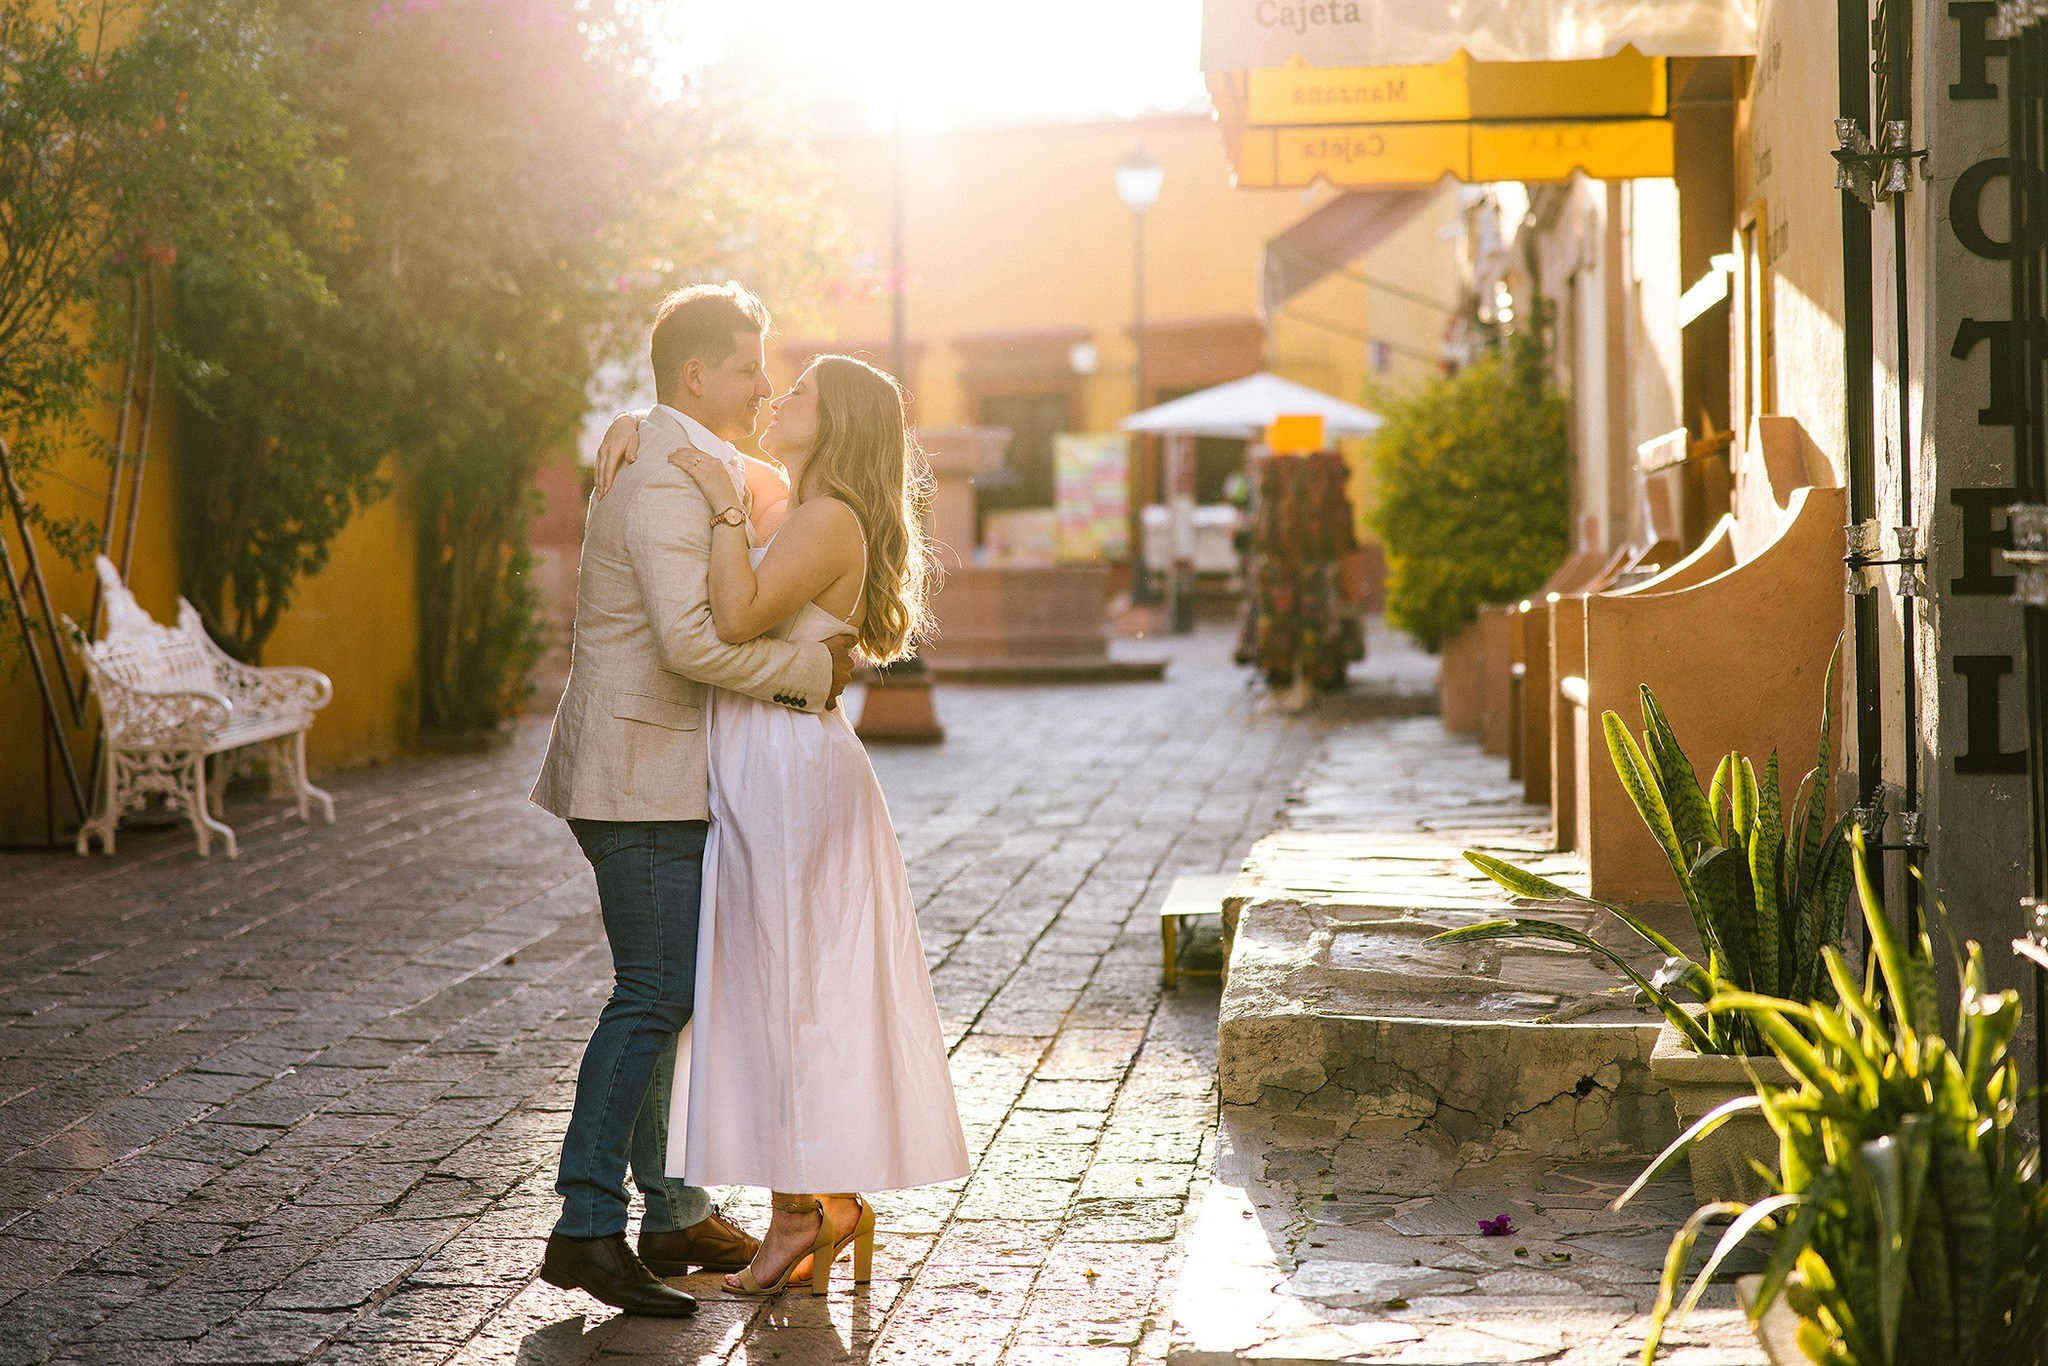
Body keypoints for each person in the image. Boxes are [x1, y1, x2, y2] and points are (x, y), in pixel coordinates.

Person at [591, 353, 969, 1297]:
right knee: (777, 984)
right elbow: (696, 439)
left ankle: (799, 1212)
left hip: (792, 774)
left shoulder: (827, 517)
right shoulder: (799, 499)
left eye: (795, 392)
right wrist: (635, 424)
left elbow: (737, 612)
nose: (774, 398)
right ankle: (822, 1202)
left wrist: (723, 510)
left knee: (785, 986)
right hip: (768, 763)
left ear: (831, 420)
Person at [529, 284, 854, 1318]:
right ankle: (586, 1223)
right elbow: (693, 645)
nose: (763, 383)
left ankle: (667, 1211)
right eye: (750, 366)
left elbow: (769, 482)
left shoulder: (675, 454)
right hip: (636, 777)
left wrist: (628, 420)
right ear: (696, 375)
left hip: (657, 770)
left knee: (673, 993)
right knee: (654, 994)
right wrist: (810, 670)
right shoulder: (669, 480)